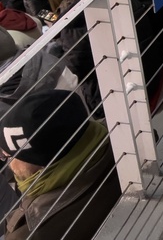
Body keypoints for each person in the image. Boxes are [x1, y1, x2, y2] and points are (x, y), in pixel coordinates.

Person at [1, 89, 121, 240]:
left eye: (10, 155)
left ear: (40, 163)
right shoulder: (126, 137)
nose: (8, 162)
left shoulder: (29, 232)